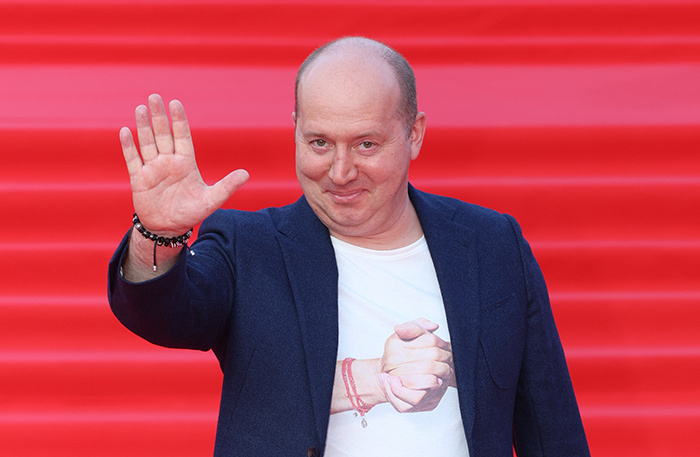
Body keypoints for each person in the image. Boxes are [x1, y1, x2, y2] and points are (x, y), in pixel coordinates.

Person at [108, 37, 589, 456]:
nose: (340, 172)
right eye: (319, 143)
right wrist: (158, 234)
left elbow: (551, 427)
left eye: (365, 145)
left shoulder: (492, 244)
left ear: (414, 134)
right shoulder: (246, 247)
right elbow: (163, 315)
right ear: (295, 130)